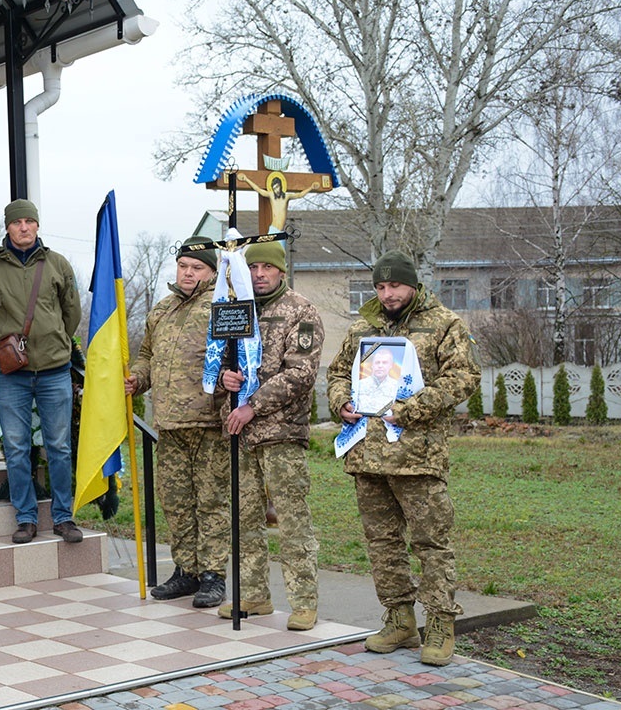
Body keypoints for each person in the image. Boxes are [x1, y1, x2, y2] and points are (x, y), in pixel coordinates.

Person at [327, 250, 480, 666]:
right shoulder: (364, 327)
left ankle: (441, 623)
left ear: (413, 284)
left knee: (432, 541)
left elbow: (464, 376)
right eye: (380, 286)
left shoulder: (444, 323)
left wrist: (411, 407)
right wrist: (340, 401)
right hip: (366, 454)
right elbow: (338, 373)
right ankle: (400, 619)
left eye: (395, 285)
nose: (388, 293)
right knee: (382, 543)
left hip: (417, 456)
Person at [220, 241, 324, 631]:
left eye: (268, 267)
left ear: (281, 271)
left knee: (292, 521)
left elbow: (300, 374)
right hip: (240, 436)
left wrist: (253, 405)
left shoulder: (302, 312)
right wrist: (224, 380)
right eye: (254, 267)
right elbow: (220, 359)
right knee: (244, 519)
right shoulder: (237, 309)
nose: (260, 273)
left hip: (280, 433)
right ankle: (254, 594)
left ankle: (303, 602)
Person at [125, 236, 230, 608]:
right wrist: (136, 379)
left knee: (211, 502)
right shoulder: (162, 310)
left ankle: (213, 576)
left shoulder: (223, 307)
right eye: (184, 266)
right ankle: (186, 570)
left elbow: (238, 359)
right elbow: (147, 356)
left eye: (197, 267)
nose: (188, 273)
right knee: (176, 502)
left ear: (212, 272)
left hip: (209, 425)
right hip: (168, 425)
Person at [0, 199, 83, 545]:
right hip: (11, 375)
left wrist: (56, 341)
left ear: (37, 225)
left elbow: (72, 312)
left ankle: (64, 517)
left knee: (60, 447)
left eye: (29, 222)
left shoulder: (57, 264)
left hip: (54, 371)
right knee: (16, 446)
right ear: (7, 227)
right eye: (17, 222)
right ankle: (26, 518)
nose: (24, 227)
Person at [238, 172, 319, 231]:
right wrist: (246, 179)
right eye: (274, 188)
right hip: (274, 227)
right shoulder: (271, 195)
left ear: (280, 186)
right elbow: (258, 189)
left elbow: (299, 195)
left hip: (282, 229)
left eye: (277, 187)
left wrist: (311, 187)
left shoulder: (287, 196)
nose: (276, 190)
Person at [357, 347, 400, 414]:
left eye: (384, 363)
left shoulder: (398, 387)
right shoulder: (359, 385)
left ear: (391, 365)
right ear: (372, 365)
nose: (380, 366)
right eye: (377, 362)